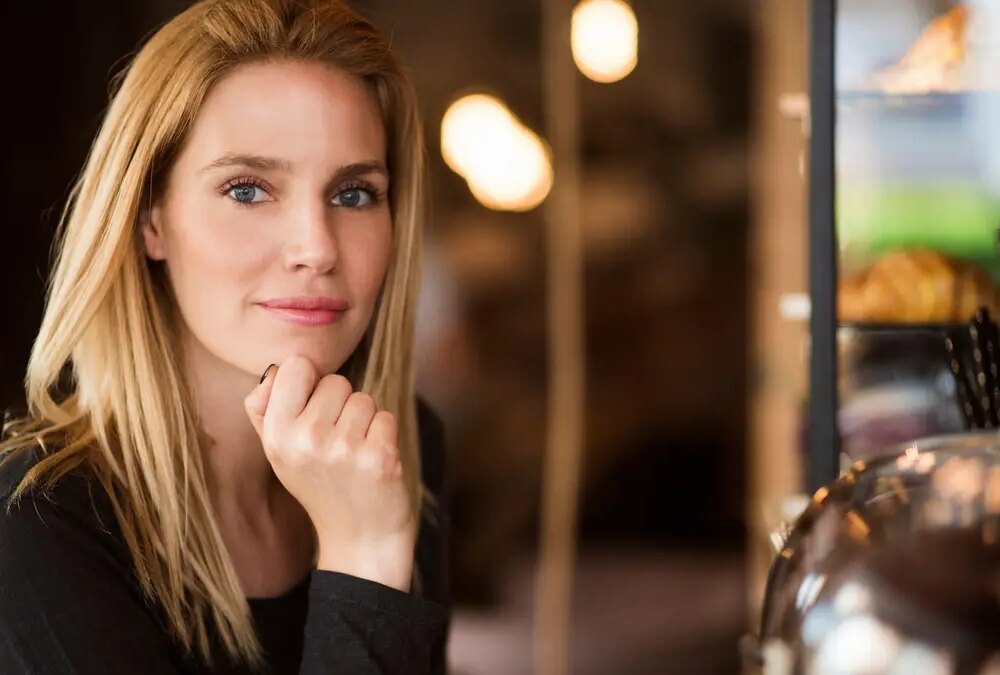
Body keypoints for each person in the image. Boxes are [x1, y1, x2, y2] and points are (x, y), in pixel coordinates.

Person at [0, 0, 451, 672]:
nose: (316, 248)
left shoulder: (396, 451)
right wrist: (365, 560)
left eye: (354, 193)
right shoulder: (38, 524)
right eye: (247, 190)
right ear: (149, 218)